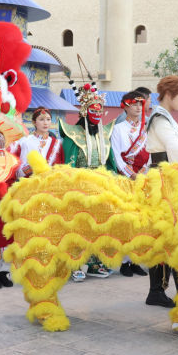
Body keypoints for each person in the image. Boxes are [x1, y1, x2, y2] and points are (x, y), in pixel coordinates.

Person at [144, 75, 178, 306]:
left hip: (166, 176)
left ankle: (158, 290)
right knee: (168, 234)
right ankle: (164, 290)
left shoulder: (164, 117)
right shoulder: (161, 117)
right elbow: (175, 148)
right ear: (170, 95)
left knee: (166, 234)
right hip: (163, 178)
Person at [60, 80, 112, 279]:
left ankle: (94, 263)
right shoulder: (73, 135)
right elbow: (68, 163)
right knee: (78, 227)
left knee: (97, 227)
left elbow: (110, 162)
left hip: (99, 187)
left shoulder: (104, 135)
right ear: (84, 111)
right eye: (93, 110)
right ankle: (74, 264)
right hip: (78, 187)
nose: (98, 114)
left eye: (100, 110)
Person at [108, 91, 151, 277]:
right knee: (125, 220)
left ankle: (135, 259)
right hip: (125, 179)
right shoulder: (118, 129)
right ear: (125, 106)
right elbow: (116, 155)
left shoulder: (146, 129)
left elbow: (150, 152)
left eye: (140, 104)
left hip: (142, 178)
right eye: (134, 104)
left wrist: (142, 173)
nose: (138, 108)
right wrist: (130, 174)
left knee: (140, 220)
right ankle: (124, 262)